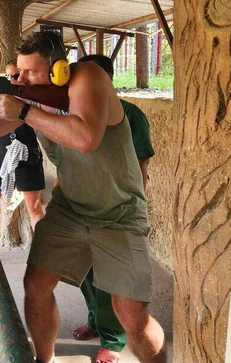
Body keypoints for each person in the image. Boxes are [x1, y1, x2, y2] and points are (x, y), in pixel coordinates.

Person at [0, 32, 166, 363]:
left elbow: (85, 138)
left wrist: (24, 110)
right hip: (70, 208)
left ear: (59, 70)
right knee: (36, 286)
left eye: (30, 73)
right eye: (19, 73)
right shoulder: (32, 98)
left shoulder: (89, 77)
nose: (20, 80)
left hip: (119, 213)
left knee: (132, 319)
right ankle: (45, 361)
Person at [66, 54, 155, 363]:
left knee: (111, 280)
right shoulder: (74, 111)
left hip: (117, 211)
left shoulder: (131, 115)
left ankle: (114, 340)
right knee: (86, 274)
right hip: (81, 207)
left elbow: (141, 166)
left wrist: (135, 213)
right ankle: (95, 321)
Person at [0, 61, 46, 228]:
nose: (14, 80)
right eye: (9, 76)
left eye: (18, 76)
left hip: (28, 153)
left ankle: (41, 250)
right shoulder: (1, 97)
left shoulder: (35, 96)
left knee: (35, 208)